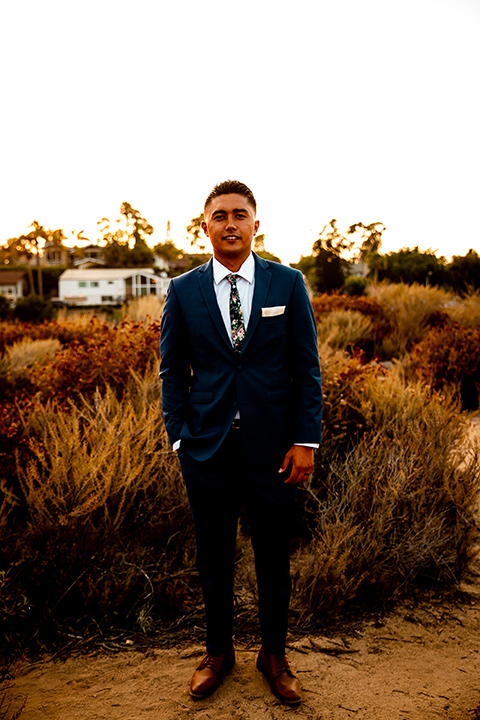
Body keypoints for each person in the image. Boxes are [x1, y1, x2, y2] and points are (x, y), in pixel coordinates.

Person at [160, 180, 322, 705]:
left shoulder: (287, 283)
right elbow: (171, 371)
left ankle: (274, 655)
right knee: (214, 558)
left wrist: (305, 441)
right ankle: (218, 652)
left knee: (274, 557)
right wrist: (179, 438)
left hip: (274, 450)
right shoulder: (184, 290)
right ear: (204, 226)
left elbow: (307, 371)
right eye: (220, 216)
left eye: (240, 214)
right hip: (206, 448)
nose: (230, 223)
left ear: (256, 223)